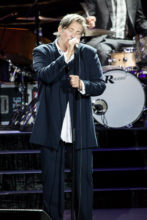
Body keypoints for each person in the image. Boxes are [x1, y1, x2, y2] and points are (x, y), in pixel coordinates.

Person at [30, 13, 106, 220]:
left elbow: (100, 85)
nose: (73, 36)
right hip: (51, 130)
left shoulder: (89, 54)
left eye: (78, 33)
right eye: (70, 30)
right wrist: (66, 57)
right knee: (52, 187)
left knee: (84, 185)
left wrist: (82, 84)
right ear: (61, 30)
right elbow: (44, 75)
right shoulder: (42, 51)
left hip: (80, 130)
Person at [83, 0, 147, 65]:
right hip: (104, 40)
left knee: (145, 50)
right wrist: (88, 22)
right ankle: (104, 74)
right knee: (103, 51)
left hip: (128, 40)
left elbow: (140, 21)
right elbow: (85, 18)